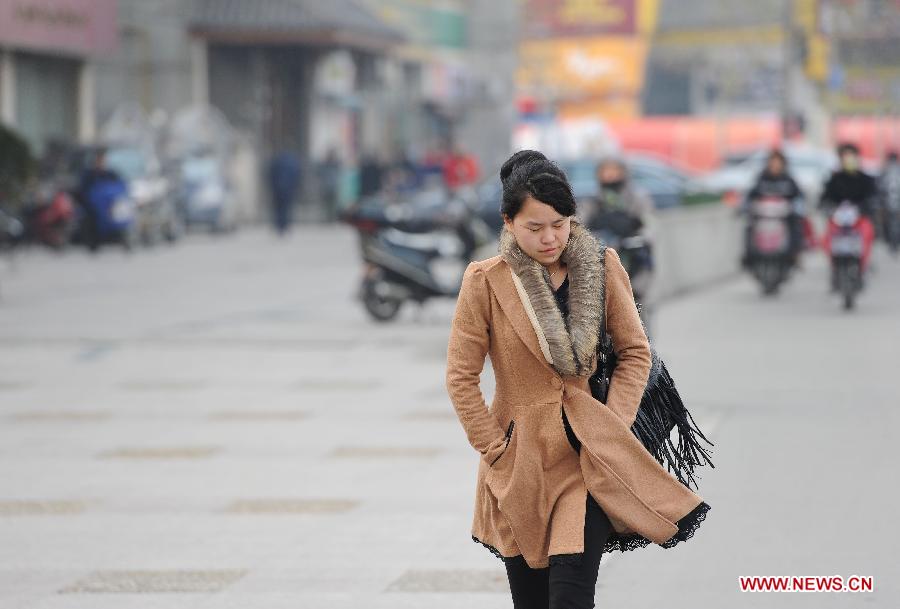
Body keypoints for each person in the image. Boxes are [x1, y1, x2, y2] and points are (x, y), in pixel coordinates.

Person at [445, 149, 710, 609]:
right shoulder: (485, 281)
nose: (550, 237)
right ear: (508, 222)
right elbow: (460, 376)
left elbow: (634, 352)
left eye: (560, 223)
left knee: (570, 598)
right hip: (519, 461)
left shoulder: (602, 266)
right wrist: (494, 448)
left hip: (588, 457)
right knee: (531, 601)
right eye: (535, 227)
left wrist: (613, 422)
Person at [740, 149, 806, 267]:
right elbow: (750, 196)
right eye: (773, 162)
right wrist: (744, 208)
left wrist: (798, 208)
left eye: (778, 162)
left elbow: (799, 196)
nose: (775, 165)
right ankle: (748, 256)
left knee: (795, 225)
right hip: (763, 214)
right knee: (749, 226)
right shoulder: (761, 179)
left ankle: (793, 254)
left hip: (783, 215)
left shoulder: (788, 180)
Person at [819, 142, 877, 276]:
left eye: (852, 156)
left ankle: (863, 265)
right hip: (838, 218)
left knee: (867, 233)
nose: (849, 159)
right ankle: (835, 266)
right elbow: (825, 197)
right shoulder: (834, 179)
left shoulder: (866, 179)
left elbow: (873, 197)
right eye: (846, 156)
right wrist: (827, 207)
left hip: (859, 218)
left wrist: (867, 207)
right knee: (827, 238)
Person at [76, 147, 125, 251]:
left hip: (109, 203)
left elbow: (119, 185)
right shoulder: (89, 174)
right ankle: (93, 241)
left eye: (102, 160)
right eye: (99, 160)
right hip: (93, 205)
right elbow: (83, 190)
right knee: (90, 217)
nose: (101, 163)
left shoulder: (110, 174)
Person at [268, 149, 301, 235]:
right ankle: (285, 225)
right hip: (288, 189)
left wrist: (273, 187)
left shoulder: (276, 162)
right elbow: (297, 176)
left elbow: (271, 175)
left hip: (277, 189)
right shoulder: (293, 163)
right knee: (286, 208)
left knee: (279, 208)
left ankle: (279, 225)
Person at [877, 150, 900, 250]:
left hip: (887, 203)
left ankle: (890, 242)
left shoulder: (884, 170)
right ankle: (894, 242)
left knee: (888, 222)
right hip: (896, 203)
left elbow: (879, 187)